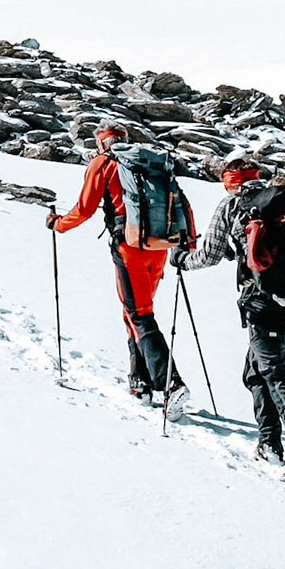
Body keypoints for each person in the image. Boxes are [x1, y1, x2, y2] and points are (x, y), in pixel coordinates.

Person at [172, 156, 285, 475]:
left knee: (273, 372)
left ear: (230, 182)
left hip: (260, 300)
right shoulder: (282, 202)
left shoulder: (232, 206)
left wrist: (182, 259)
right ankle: (269, 443)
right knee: (255, 371)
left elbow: (209, 255)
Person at [49, 121, 186, 412]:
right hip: (159, 247)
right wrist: (188, 242)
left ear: (101, 141)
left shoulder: (104, 163)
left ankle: (171, 383)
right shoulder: (151, 162)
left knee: (139, 314)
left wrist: (58, 225)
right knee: (135, 312)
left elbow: (84, 209)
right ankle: (140, 381)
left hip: (129, 248)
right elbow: (181, 202)